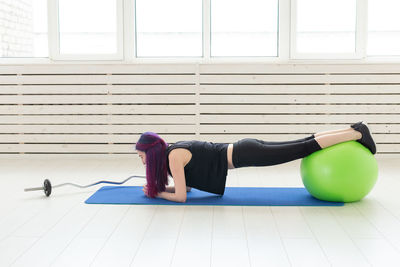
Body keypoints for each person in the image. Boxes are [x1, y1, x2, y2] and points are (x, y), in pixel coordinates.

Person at [135, 121, 376, 203]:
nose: (141, 161)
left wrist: (157, 194)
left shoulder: (173, 157)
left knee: (304, 147)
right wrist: (162, 188)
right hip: (244, 148)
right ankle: (353, 128)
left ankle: (357, 134)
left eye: (141, 156)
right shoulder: (173, 152)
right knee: (303, 142)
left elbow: (181, 196)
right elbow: (185, 186)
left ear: (151, 153)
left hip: (245, 154)